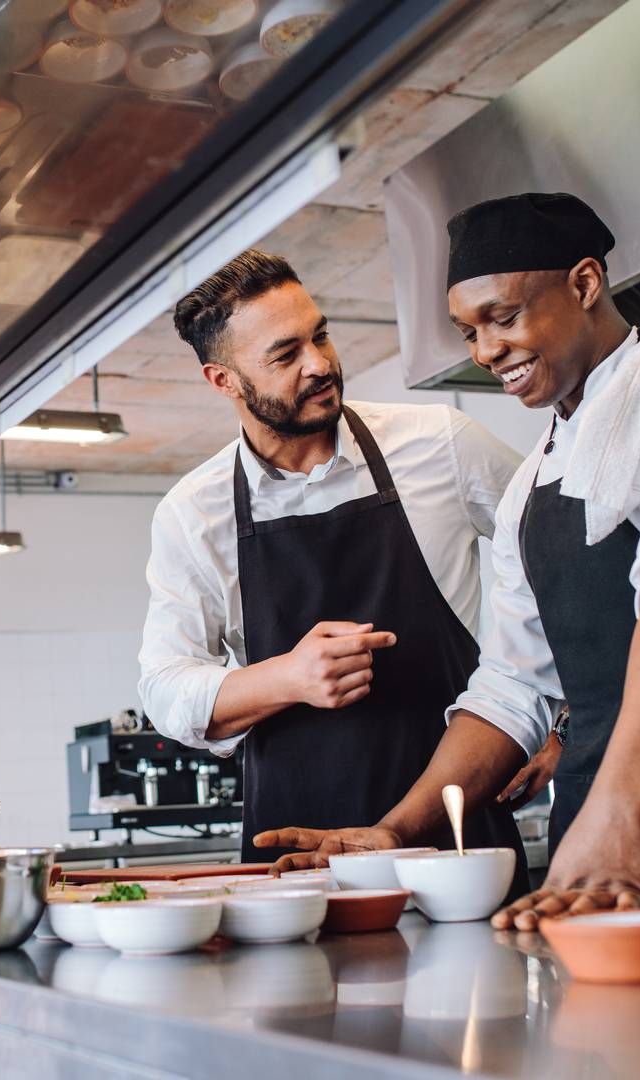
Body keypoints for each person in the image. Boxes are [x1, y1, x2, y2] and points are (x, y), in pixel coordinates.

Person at [256, 193, 640, 923]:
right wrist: (396, 831)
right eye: (469, 332)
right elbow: (511, 690)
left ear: (585, 284)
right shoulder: (530, 487)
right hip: (594, 860)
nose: (486, 351)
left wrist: (622, 809)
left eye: (503, 317)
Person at [137, 249, 528, 879]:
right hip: (297, 859)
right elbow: (164, 689)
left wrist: (560, 721)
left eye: (319, 335)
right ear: (224, 381)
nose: (320, 364)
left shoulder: (441, 444)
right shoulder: (193, 512)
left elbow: (565, 566)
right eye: (285, 355)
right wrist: (288, 678)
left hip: (457, 840)